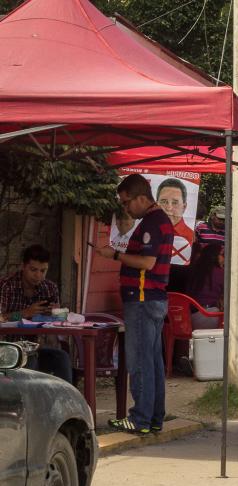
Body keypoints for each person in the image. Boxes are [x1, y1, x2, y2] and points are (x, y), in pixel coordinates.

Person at [96, 173, 174, 435]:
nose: (125, 207)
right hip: (153, 299)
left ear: (142, 198)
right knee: (152, 361)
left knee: (140, 361)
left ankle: (140, 418)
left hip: (142, 299)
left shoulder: (152, 223)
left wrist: (115, 254)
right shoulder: (160, 220)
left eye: (127, 202)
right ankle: (153, 417)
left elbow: (147, 263)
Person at [0, 244, 73, 384]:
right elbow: (1, 317)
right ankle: (29, 403)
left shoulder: (49, 288)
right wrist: (25, 313)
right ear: (23, 266)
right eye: (33, 270)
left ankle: (63, 402)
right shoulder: (6, 286)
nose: (38, 275)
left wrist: (57, 314)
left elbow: (56, 327)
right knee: (30, 358)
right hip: (9, 348)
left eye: (43, 270)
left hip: (37, 346)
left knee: (61, 358)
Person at [185, 243, 224, 331]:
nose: (224, 258)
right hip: (210, 317)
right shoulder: (220, 273)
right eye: (222, 255)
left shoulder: (194, 271)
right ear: (214, 256)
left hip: (190, 318)